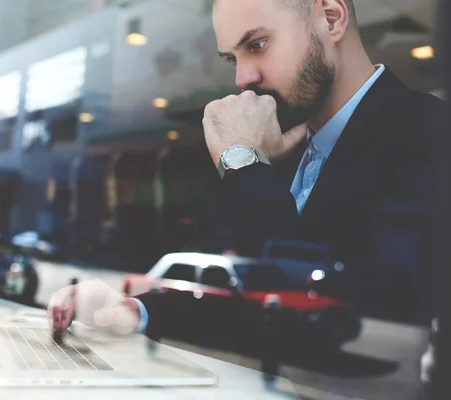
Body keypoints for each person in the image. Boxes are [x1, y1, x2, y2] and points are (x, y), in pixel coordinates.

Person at [48, 0, 445, 336]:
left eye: (257, 44)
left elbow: (342, 296)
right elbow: (258, 299)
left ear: (331, 16)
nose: (243, 78)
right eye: (232, 58)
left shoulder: (429, 135)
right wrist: (136, 311)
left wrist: (245, 164)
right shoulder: (283, 149)